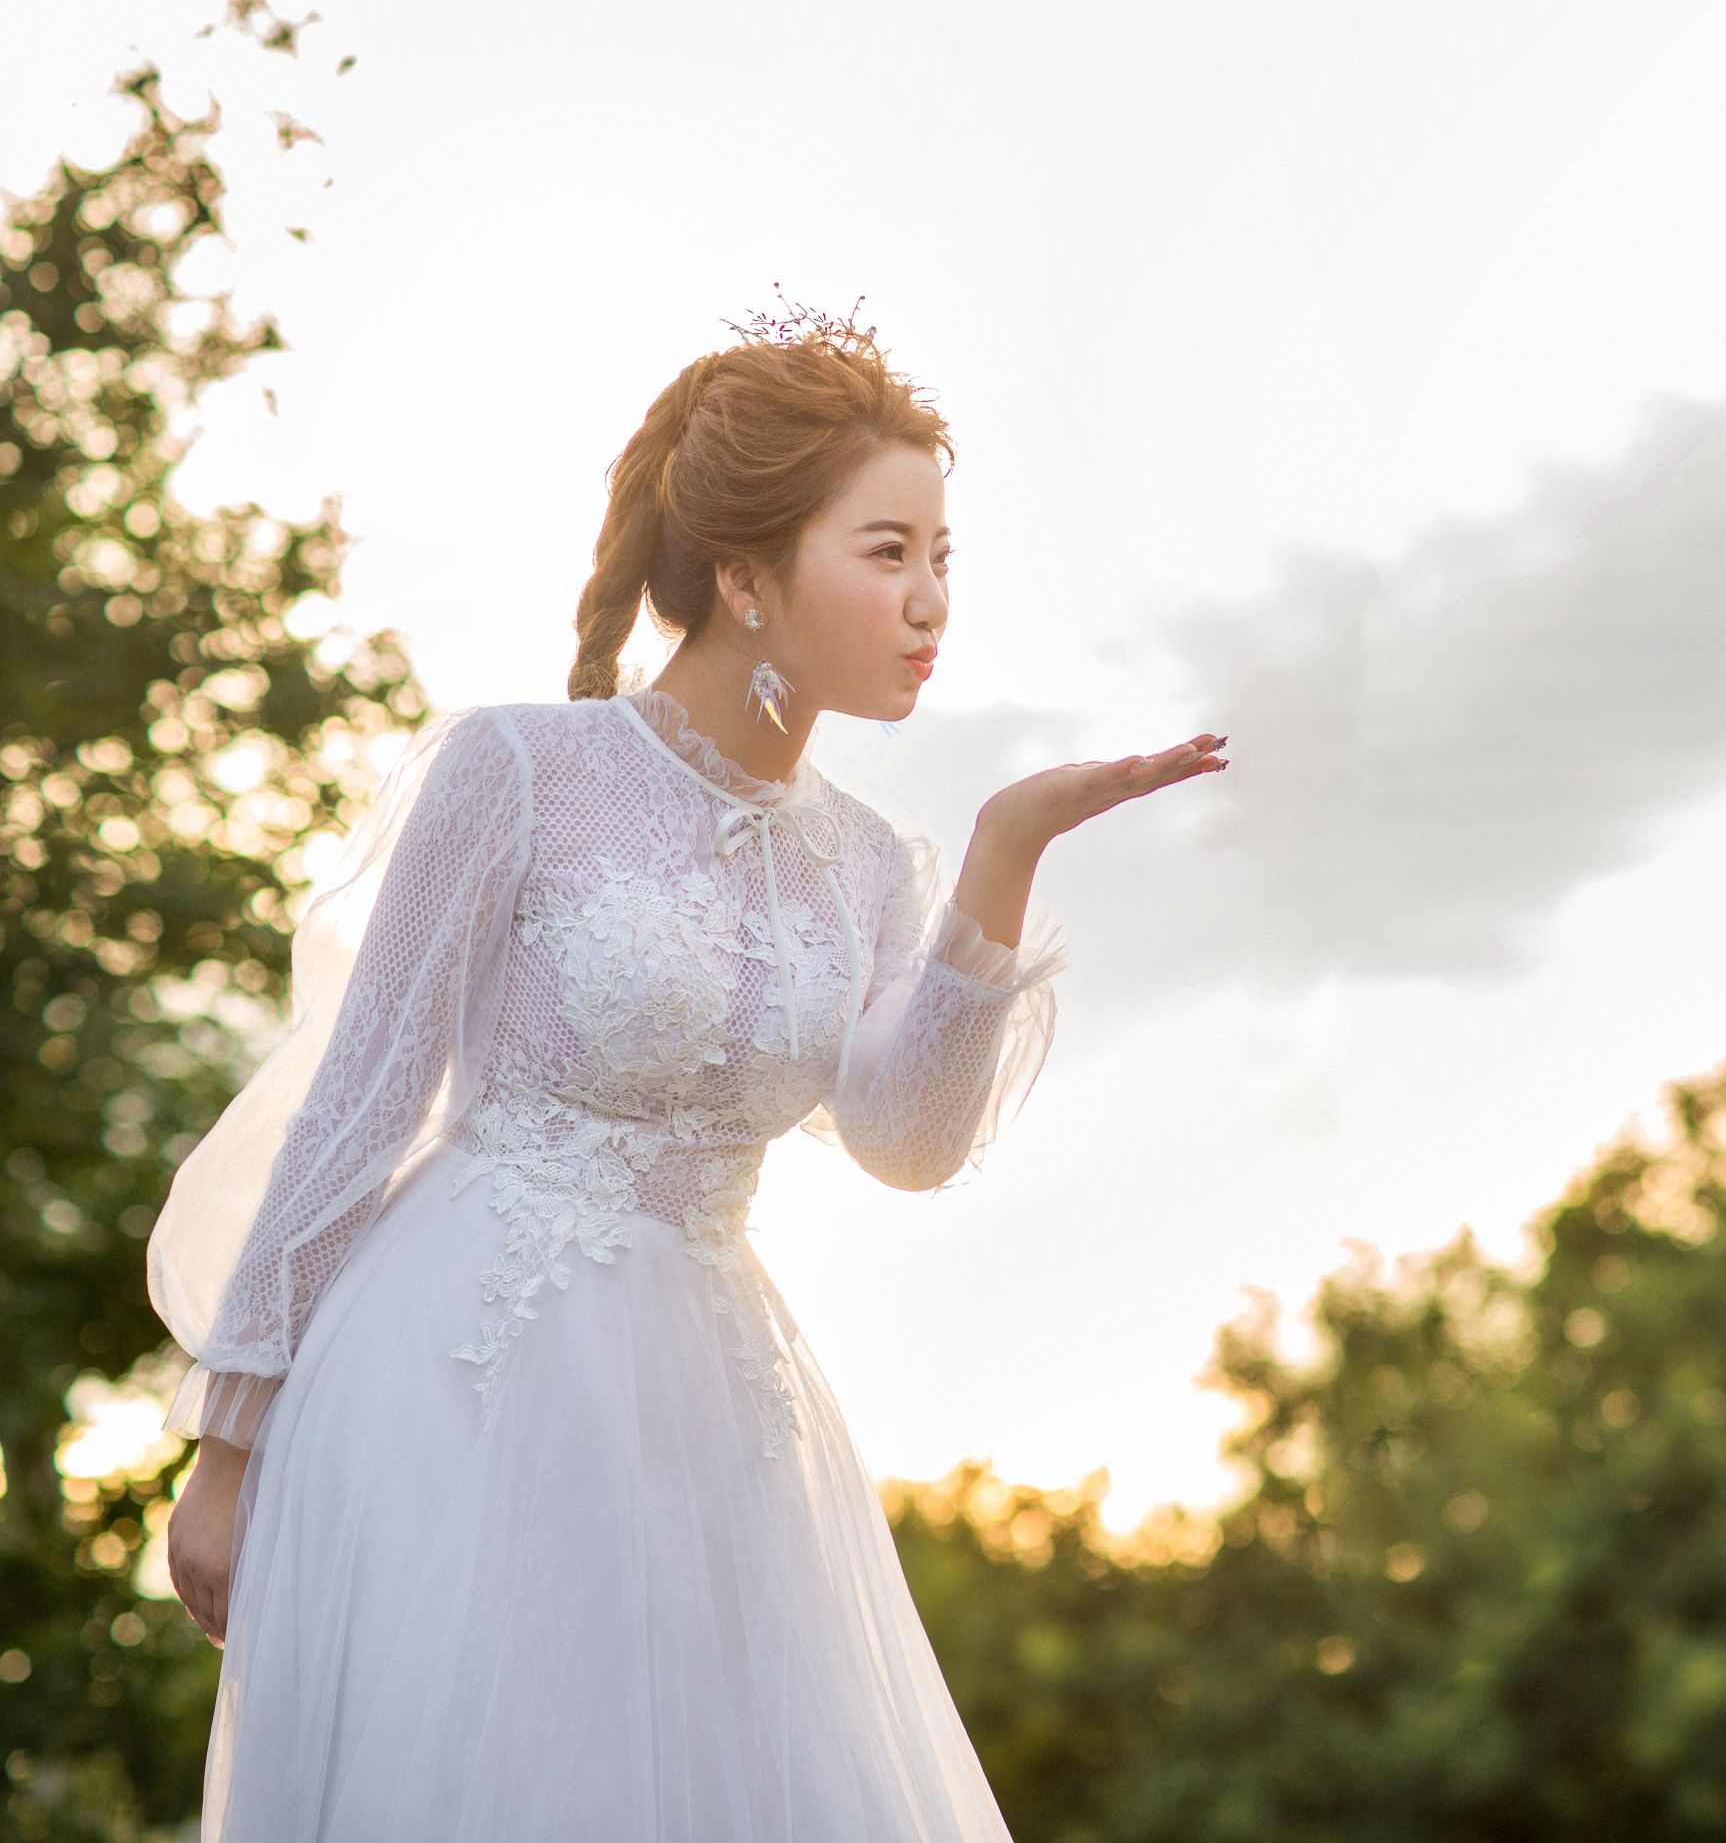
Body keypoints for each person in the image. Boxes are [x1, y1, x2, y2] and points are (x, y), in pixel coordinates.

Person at [147, 310, 1225, 1841]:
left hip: (716, 1416)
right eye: (886, 552)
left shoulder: (865, 861)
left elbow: (908, 1142)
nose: (929, 604)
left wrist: (1004, 852)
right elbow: (363, 1097)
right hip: (463, 1373)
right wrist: (232, 1444)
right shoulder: (520, 772)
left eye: (943, 558)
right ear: (743, 576)